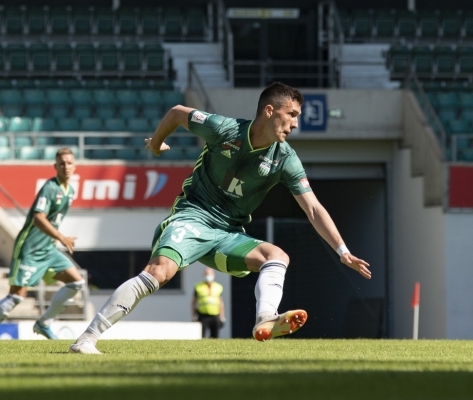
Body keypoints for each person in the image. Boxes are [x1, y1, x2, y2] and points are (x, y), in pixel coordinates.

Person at [69, 82, 371, 355]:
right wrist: (157, 144)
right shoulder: (225, 129)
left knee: (276, 256)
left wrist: (342, 251)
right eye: (291, 114)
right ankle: (85, 339)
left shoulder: (285, 158)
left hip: (228, 234)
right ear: (269, 110)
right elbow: (176, 112)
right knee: (159, 273)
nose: (294, 123)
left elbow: (314, 209)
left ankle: (265, 317)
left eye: (297, 116)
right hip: (193, 216)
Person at [0, 148, 85, 339]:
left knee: (77, 282)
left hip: (48, 249)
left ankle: (44, 323)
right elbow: (39, 218)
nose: (66, 167)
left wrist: (55, 239)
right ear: (55, 166)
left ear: (75, 166)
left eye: (69, 163)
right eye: (61, 163)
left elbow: (53, 219)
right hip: (30, 249)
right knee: (16, 296)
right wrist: (62, 237)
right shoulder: (50, 187)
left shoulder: (69, 190)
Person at [192, 267, 225, 339]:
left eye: (209, 274)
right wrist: (194, 316)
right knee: (202, 336)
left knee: (215, 336)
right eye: (206, 274)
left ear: (214, 274)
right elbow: (193, 303)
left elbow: (221, 303)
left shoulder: (218, 287)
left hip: (215, 315)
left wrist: (222, 317)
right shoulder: (198, 287)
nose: (208, 276)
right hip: (202, 315)